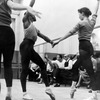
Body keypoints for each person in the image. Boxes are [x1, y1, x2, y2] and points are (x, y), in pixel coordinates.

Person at [53, 0, 100, 99]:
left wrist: (58, 41)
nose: (79, 16)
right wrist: (98, 2)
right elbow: (96, 12)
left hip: (83, 46)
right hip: (88, 46)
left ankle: (75, 88)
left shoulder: (81, 23)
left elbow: (70, 32)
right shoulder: (92, 22)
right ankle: (80, 89)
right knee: (83, 69)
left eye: (79, 14)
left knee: (80, 68)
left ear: (82, 14)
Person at [0, 0, 41, 100]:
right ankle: (9, 93)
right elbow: (13, 5)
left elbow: (13, 5)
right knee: (7, 65)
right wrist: (27, 7)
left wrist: (28, 6)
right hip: (8, 32)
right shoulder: (5, 1)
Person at [19, 0, 55, 100]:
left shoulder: (35, 28)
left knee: (43, 65)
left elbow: (43, 36)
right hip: (25, 46)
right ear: (29, 14)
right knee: (25, 69)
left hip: (30, 48)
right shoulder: (26, 20)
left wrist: (51, 42)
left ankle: (48, 88)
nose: (34, 14)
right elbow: (30, 6)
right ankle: (24, 94)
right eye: (32, 12)